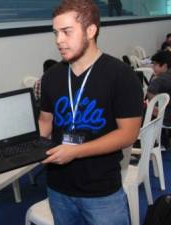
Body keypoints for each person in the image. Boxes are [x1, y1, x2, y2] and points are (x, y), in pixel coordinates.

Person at [39, 0, 143, 225]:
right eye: (56, 33)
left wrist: (76, 151)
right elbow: (45, 124)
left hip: (101, 191)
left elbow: (128, 134)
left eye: (66, 32)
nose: (59, 40)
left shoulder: (121, 75)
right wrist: (11, 144)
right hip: (58, 188)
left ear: (91, 30)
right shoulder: (51, 77)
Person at [147, 50, 171, 150]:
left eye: (156, 64)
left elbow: (151, 94)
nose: (153, 67)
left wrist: (153, 108)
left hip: (165, 118)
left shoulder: (159, 80)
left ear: (164, 66)